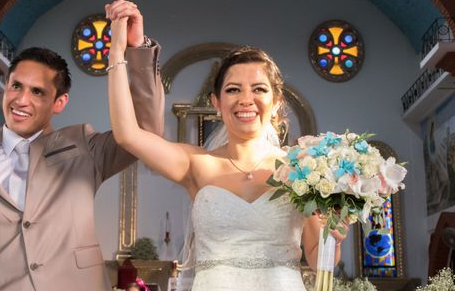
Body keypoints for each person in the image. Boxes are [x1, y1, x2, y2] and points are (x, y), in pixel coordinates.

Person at [0, 0, 164, 290]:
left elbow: (145, 133)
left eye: (37, 92)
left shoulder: (84, 147)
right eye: (16, 86)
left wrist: (136, 49)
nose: (22, 100)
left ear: (59, 102)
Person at [107, 16, 349, 290]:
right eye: (233, 90)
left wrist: (333, 239)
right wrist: (118, 51)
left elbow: (319, 262)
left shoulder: (302, 169)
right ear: (216, 103)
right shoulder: (196, 164)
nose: (246, 99)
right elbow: (127, 134)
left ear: (276, 102)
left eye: (259, 89)